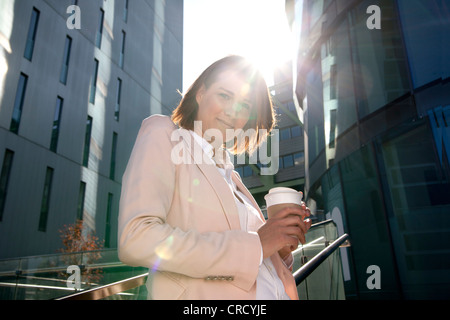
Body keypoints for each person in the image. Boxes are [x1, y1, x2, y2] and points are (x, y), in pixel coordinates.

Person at [118, 55, 311, 300]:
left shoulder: (231, 176)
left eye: (244, 105)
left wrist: (280, 246)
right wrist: (257, 245)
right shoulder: (164, 134)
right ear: (200, 94)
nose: (233, 111)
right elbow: (136, 238)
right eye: (224, 96)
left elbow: (251, 262)